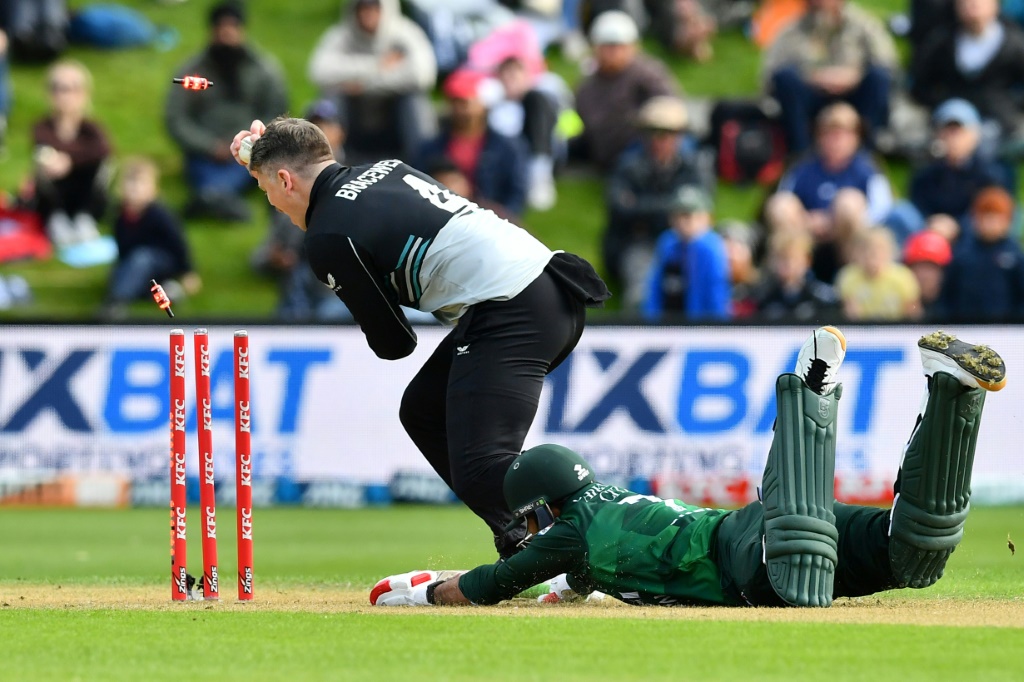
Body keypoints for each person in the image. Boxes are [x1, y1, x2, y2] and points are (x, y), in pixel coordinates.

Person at [370, 326, 1008, 607]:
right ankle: (953, 389)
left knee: (800, 569)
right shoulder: (605, 513)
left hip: (752, 554)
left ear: (543, 504)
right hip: (749, 532)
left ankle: (811, 388)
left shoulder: (569, 537)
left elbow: (488, 587)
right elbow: (563, 588)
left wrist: (425, 592)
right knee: (915, 556)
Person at [230, 116, 610, 557]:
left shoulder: (329, 235)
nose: (274, 205)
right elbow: (334, 191)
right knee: (423, 411)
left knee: (481, 465)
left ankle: (576, 550)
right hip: (549, 288)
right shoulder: (385, 169)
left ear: (284, 179)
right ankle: (524, 539)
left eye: (266, 191)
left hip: (513, 307)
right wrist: (257, 156)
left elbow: (395, 343)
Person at [165, 1, 288, 222]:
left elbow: (277, 111)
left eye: (232, 27)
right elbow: (176, 118)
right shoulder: (191, 71)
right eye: (222, 28)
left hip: (248, 148)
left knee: (244, 167)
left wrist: (253, 140)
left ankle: (213, 197)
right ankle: (218, 197)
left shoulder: (263, 69)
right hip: (206, 151)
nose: (227, 34)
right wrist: (209, 146)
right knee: (204, 171)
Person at [765, 103, 892, 284]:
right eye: (830, 134)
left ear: (856, 137)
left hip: (849, 239)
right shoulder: (802, 168)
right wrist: (809, 220)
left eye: (843, 134)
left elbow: (882, 211)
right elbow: (784, 196)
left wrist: (834, 220)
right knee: (781, 205)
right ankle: (791, 278)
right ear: (819, 137)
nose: (836, 141)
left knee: (848, 202)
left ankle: (853, 279)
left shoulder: (868, 170)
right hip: (806, 234)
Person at [603, 96, 705, 307]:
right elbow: (619, 208)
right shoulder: (627, 166)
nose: (660, 140)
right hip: (637, 242)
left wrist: (641, 205)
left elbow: (701, 204)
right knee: (641, 293)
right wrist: (675, 208)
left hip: (683, 240)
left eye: (668, 133)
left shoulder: (694, 166)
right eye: (653, 132)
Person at [308, 0, 437, 164]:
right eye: (362, 8)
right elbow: (319, 71)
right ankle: (328, 166)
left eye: (374, 7)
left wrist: (363, 84)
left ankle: (424, 165)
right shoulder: (340, 35)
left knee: (415, 101)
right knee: (330, 100)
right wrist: (377, 65)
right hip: (354, 119)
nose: (368, 13)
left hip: (394, 118)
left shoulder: (407, 33)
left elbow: (423, 75)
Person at [762, 0, 898, 154]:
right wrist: (812, 77)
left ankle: (865, 152)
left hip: (854, 95)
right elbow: (770, 76)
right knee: (785, 78)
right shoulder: (790, 30)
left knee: (879, 78)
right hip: (811, 97)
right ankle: (801, 153)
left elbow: (888, 65)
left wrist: (855, 76)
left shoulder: (865, 26)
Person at [885, 98, 1009, 244]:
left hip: (970, 239)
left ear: (975, 135)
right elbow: (917, 205)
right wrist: (933, 223)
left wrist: (956, 226)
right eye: (947, 131)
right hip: (929, 232)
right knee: (900, 213)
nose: (952, 138)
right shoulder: (926, 171)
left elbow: (992, 209)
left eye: (958, 132)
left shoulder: (990, 174)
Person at [911, 0, 1024, 154]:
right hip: (951, 116)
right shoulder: (942, 41)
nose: (972, 5)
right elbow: (920, 82)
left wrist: (1010, 104)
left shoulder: (1014, 43)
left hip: (996, 120)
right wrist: (940, 101)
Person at [572, 10, 679, 171]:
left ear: (633, 47)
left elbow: (671, 110)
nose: (613, 52)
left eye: (618, 46)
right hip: (605, 152)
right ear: (595, 47)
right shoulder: (587, 85)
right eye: (607, 46)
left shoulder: (647, 75)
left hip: (643, 149)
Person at [417, 69, 529, 223]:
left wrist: (500, 220)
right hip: (440, 221)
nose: (459, 110)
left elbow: (517, 194)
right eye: (454, 102)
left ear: (484, 103)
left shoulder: (508, 148)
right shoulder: (430, 148)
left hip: (491, 222)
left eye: (465, 102)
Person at [101, 157, 198, 320]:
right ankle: (165, 291)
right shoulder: (120, 215)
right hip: (135, 262)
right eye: (130, 185)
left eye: (140, 185)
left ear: (153, 189)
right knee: (122, 272)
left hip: (161, 260)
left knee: (141, 259)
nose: (134, 190)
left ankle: (116, 302)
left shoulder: (159, 214)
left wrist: (188, 271)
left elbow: (178, 243)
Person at [30, 59, 111, 247]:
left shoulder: (91, 128)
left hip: (85, 191)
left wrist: (70, 160)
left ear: (84, 94)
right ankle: (56, 219)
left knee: (103, 165)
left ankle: (85, 217)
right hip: (56, 192)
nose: (65, 95)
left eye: (72, 89)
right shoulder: (43, 127)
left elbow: (103, 150)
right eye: (58, 88)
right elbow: (43, 145)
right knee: (43, 161)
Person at [640, 185, 730, 320]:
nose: (681, 222)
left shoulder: (711, 248)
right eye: (676, 215)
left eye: (687, 215)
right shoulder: (667, 243)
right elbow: (655, 286)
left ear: (706, 218)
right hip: (668, 321)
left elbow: (716, 294)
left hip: (700, 327)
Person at [940, 187, 1024, 319]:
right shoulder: (962, 254)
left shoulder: (1015, 255)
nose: (990, 224)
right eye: (985, 217)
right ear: (975, 220)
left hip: (1006, 329)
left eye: (996, 218)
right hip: (966, 325)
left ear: (1007, 222)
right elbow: (948, 294)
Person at [835, 226, 920, 320]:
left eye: (878, 250)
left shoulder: (903, 277)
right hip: (862, 331)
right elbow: (851, 316)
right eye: (865, 250)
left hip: (897, 331)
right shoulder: (848, 277)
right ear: (856, 252)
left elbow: (913, 315)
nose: (871, 255)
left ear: (890, 252)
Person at [753, 231, 841, 321]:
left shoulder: (823, 299)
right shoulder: (765, 299)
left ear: (807, 260)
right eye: (780, 258)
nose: (786, 264)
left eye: (792, 259)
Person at [902, 229, 953, 320]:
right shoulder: (899, 303)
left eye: (931, 268)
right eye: (919, 267)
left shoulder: (955, 303)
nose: (924, 276)